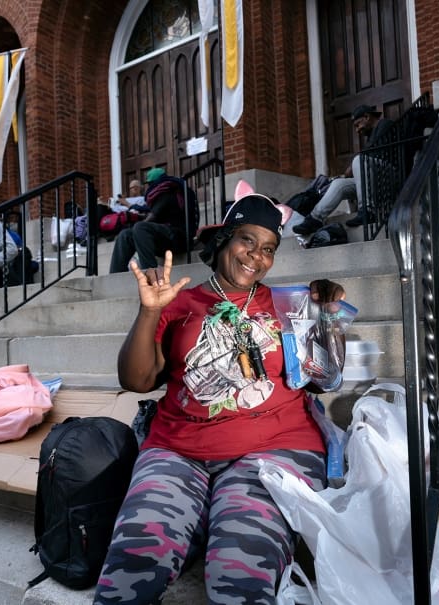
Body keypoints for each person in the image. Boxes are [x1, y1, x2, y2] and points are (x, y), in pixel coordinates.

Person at [94, 193, 346, 604]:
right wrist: (150, 312)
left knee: (238, 579)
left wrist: (327, 320)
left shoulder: (288, 305)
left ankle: (210, 521)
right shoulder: (181, 303)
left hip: (274, 447)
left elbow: (324, 381)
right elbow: (138, 380)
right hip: (178, 448)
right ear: (225, 240)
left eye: (269, 249)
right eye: (247, 240)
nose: (256, 256)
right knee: (131, 566)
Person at [293, 104, 393, 235]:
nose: (357, 130)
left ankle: (367, 211)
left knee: (359, 160)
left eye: (358, 125)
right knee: (338, 184)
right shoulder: (371, 136)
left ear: (367, 117)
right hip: (373, 180)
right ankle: (315, 219)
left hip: (390, 177)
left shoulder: (385, 124)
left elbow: (374, 152)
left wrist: (353, 166)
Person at [108, 167, 190, 274]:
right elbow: (148, 211)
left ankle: (151, 274)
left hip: (177, 238)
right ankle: (115, 275)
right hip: (163, 238)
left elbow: (152, 216)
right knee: (125, 235)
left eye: (150, 183)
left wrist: (138, 228)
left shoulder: (168, 193)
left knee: (140, 227)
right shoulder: (160, 194)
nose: (149, 187)